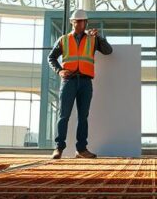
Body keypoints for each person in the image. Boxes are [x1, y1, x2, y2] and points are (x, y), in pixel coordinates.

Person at [47, 9, 112, 159]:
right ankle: (58, 148)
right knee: (63, 115)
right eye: (77, 21)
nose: (80, 24)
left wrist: (99, 37)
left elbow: (108, 51)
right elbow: (51, 58)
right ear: (72, 22)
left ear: (86, 22)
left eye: (83, 21)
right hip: (68, 81)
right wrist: (59, 71)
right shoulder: (64, 39)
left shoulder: (93, 39)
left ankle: (81, 149)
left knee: (83, 117)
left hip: (85, 82)